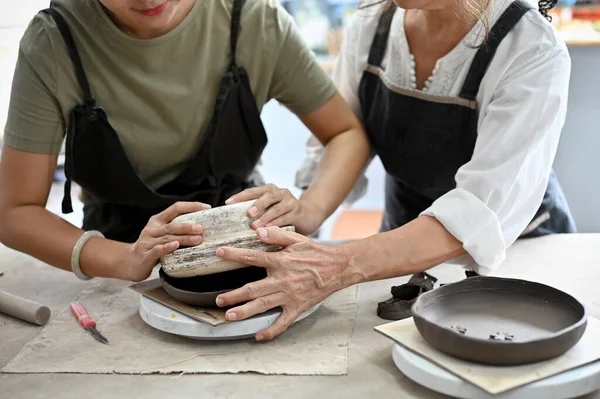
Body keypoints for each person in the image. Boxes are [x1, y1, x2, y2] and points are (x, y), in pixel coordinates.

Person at [214, 0, 577, 340]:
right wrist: (307, 211)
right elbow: (346, 132)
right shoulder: (375, 20)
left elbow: (477, 214)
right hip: (400, 243)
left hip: (512, 254)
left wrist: (335, 265)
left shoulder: (531, 49)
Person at [0, 0, 370, 282]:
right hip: (114, 251)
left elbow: (345, 133)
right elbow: (14, 212)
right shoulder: (55, 43)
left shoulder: (253, 17)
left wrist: (310, 209)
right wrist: (123, 259)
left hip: (244, 243)